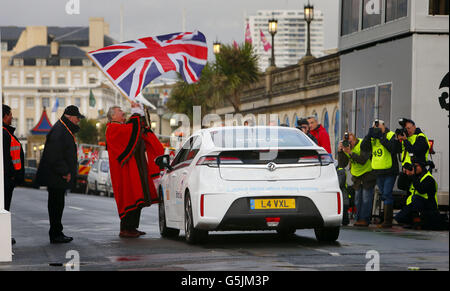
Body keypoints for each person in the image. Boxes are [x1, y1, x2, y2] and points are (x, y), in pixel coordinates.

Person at [106, 102, 164, 238]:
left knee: (137, 197)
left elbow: (135, 131)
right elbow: (130, 131)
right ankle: (125, 229)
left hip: (133, 169)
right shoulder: (112, 128)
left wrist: (141, 120)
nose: (123, 112)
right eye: (120, 110)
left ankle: (132, 228)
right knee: (129, 198)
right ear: (113, 115)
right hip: (123, 172)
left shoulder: (123, 127)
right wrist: (136, 114)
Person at [36, 105, 84, 243]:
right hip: (56, 176)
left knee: (57, 204)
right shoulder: (60, 130)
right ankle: (56, 234)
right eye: (77, 118)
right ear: (69, 117)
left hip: (56, 176)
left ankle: (57, 232)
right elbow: (54, 155)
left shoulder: (62, 128)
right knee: (56, 205)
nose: (78, 121)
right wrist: (65, 172)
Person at [361, 120, 401, 228]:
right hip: (378, 171)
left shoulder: (390, 135)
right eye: (375, 126)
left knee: (387, 194)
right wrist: (369, 135)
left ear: (384, 126)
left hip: (389, 170)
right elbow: (363, 148)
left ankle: (387, 221)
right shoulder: (373, 137)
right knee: (383, 194)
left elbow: (393, 149)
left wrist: (382, 136)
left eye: (379, 126)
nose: (377, 128)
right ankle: (386, 219)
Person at [394, 158, 446, 230]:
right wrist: (404, 173)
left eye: (416, 166)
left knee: (416, 198)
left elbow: (421, 190)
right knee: (400, 216)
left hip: (429, 209)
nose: (414, 168)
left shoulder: (428, 179)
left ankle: (416, 221)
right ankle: (410, 220)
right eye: (413, 166)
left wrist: (413, 176)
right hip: (413, 207)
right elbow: (401, 186)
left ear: (422, 166)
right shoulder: (415, 177)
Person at [338, 132, 376, 227]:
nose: (350, 144)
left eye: (351, 141)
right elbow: (342, 164)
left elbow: (362, 160)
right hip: (357, 177)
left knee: (366, 199)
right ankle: (358, 219)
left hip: (368, 174)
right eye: (348, 142)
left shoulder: (363, 144)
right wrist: (340, 151)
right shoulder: (346, 148)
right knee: (358, 199)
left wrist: (350, 152)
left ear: (355, 139)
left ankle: (365, 220)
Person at [2, 104, 25, 245]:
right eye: (10, 114)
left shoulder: (6, 132)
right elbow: (5, 157)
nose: (12, 117)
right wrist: (11, 175)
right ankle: (3, 236)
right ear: (4, 116)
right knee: (4, 208)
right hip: (6, 179)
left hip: (8, 178)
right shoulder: (4, 133)